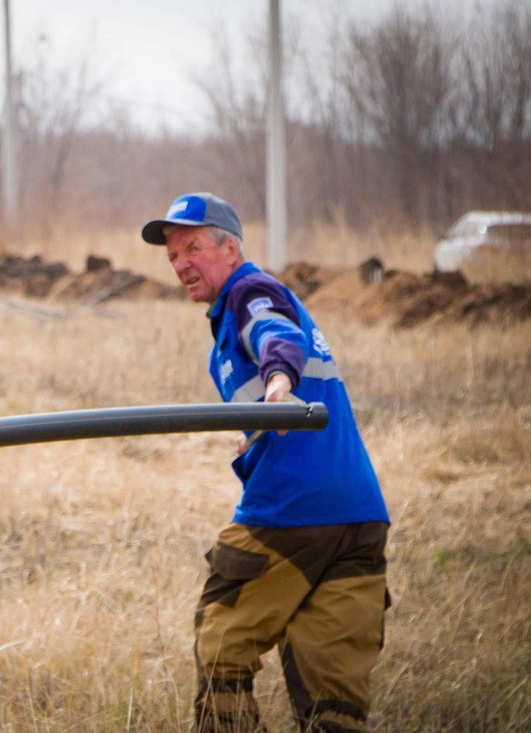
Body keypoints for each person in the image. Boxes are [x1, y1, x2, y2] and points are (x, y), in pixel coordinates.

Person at [141, 193, 391, 733]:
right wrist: (253, 428)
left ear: (231, 249)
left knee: (222, 642)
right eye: (172, 256)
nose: (181, 263)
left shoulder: (250, 291)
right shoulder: (244, 309)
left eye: (193, 248)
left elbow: (275, 334)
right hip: (359, 516)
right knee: (333, 692)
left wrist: (279, 381)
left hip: (291, 509)